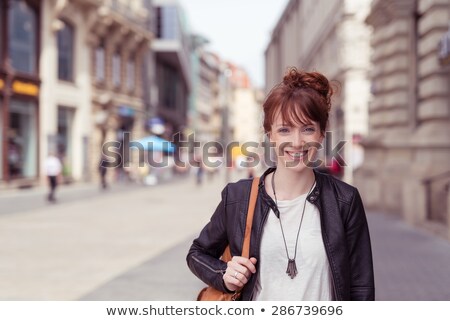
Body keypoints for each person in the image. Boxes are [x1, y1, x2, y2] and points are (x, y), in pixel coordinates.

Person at [186, 68, 374, 301]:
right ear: (270, 134)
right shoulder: (238, 197)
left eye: (307, 129)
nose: (296, 142)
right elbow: (197, 253)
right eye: (285, 129)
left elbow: (361, 287)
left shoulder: (345, 200)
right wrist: (224, 274)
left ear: (321, 134)